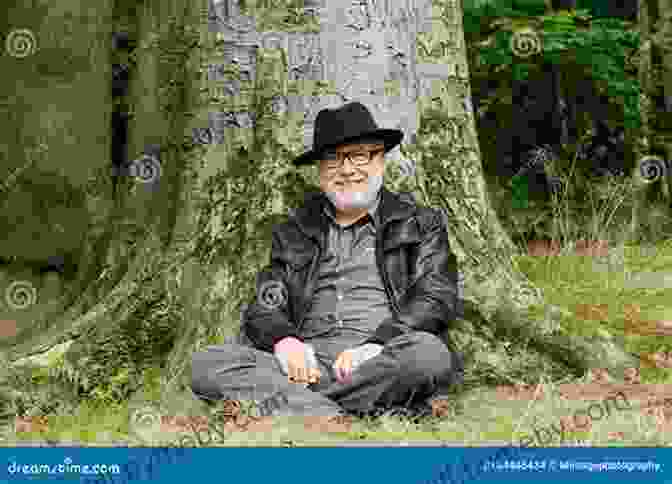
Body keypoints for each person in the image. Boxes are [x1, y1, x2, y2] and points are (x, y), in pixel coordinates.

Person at [191, 101, 465, 434]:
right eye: (333, 158)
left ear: (380, 159)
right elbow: (265, 304)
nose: (347, 169)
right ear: (319, 171)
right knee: (205, 365)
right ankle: (345, 413)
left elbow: (437, 297)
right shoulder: (295, 230)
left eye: (359, 155)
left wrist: (375, 345)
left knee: (429, 356)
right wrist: (284, 340)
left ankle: (301, 408)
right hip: (308, 366)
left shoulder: (420, 223)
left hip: (384, 356)